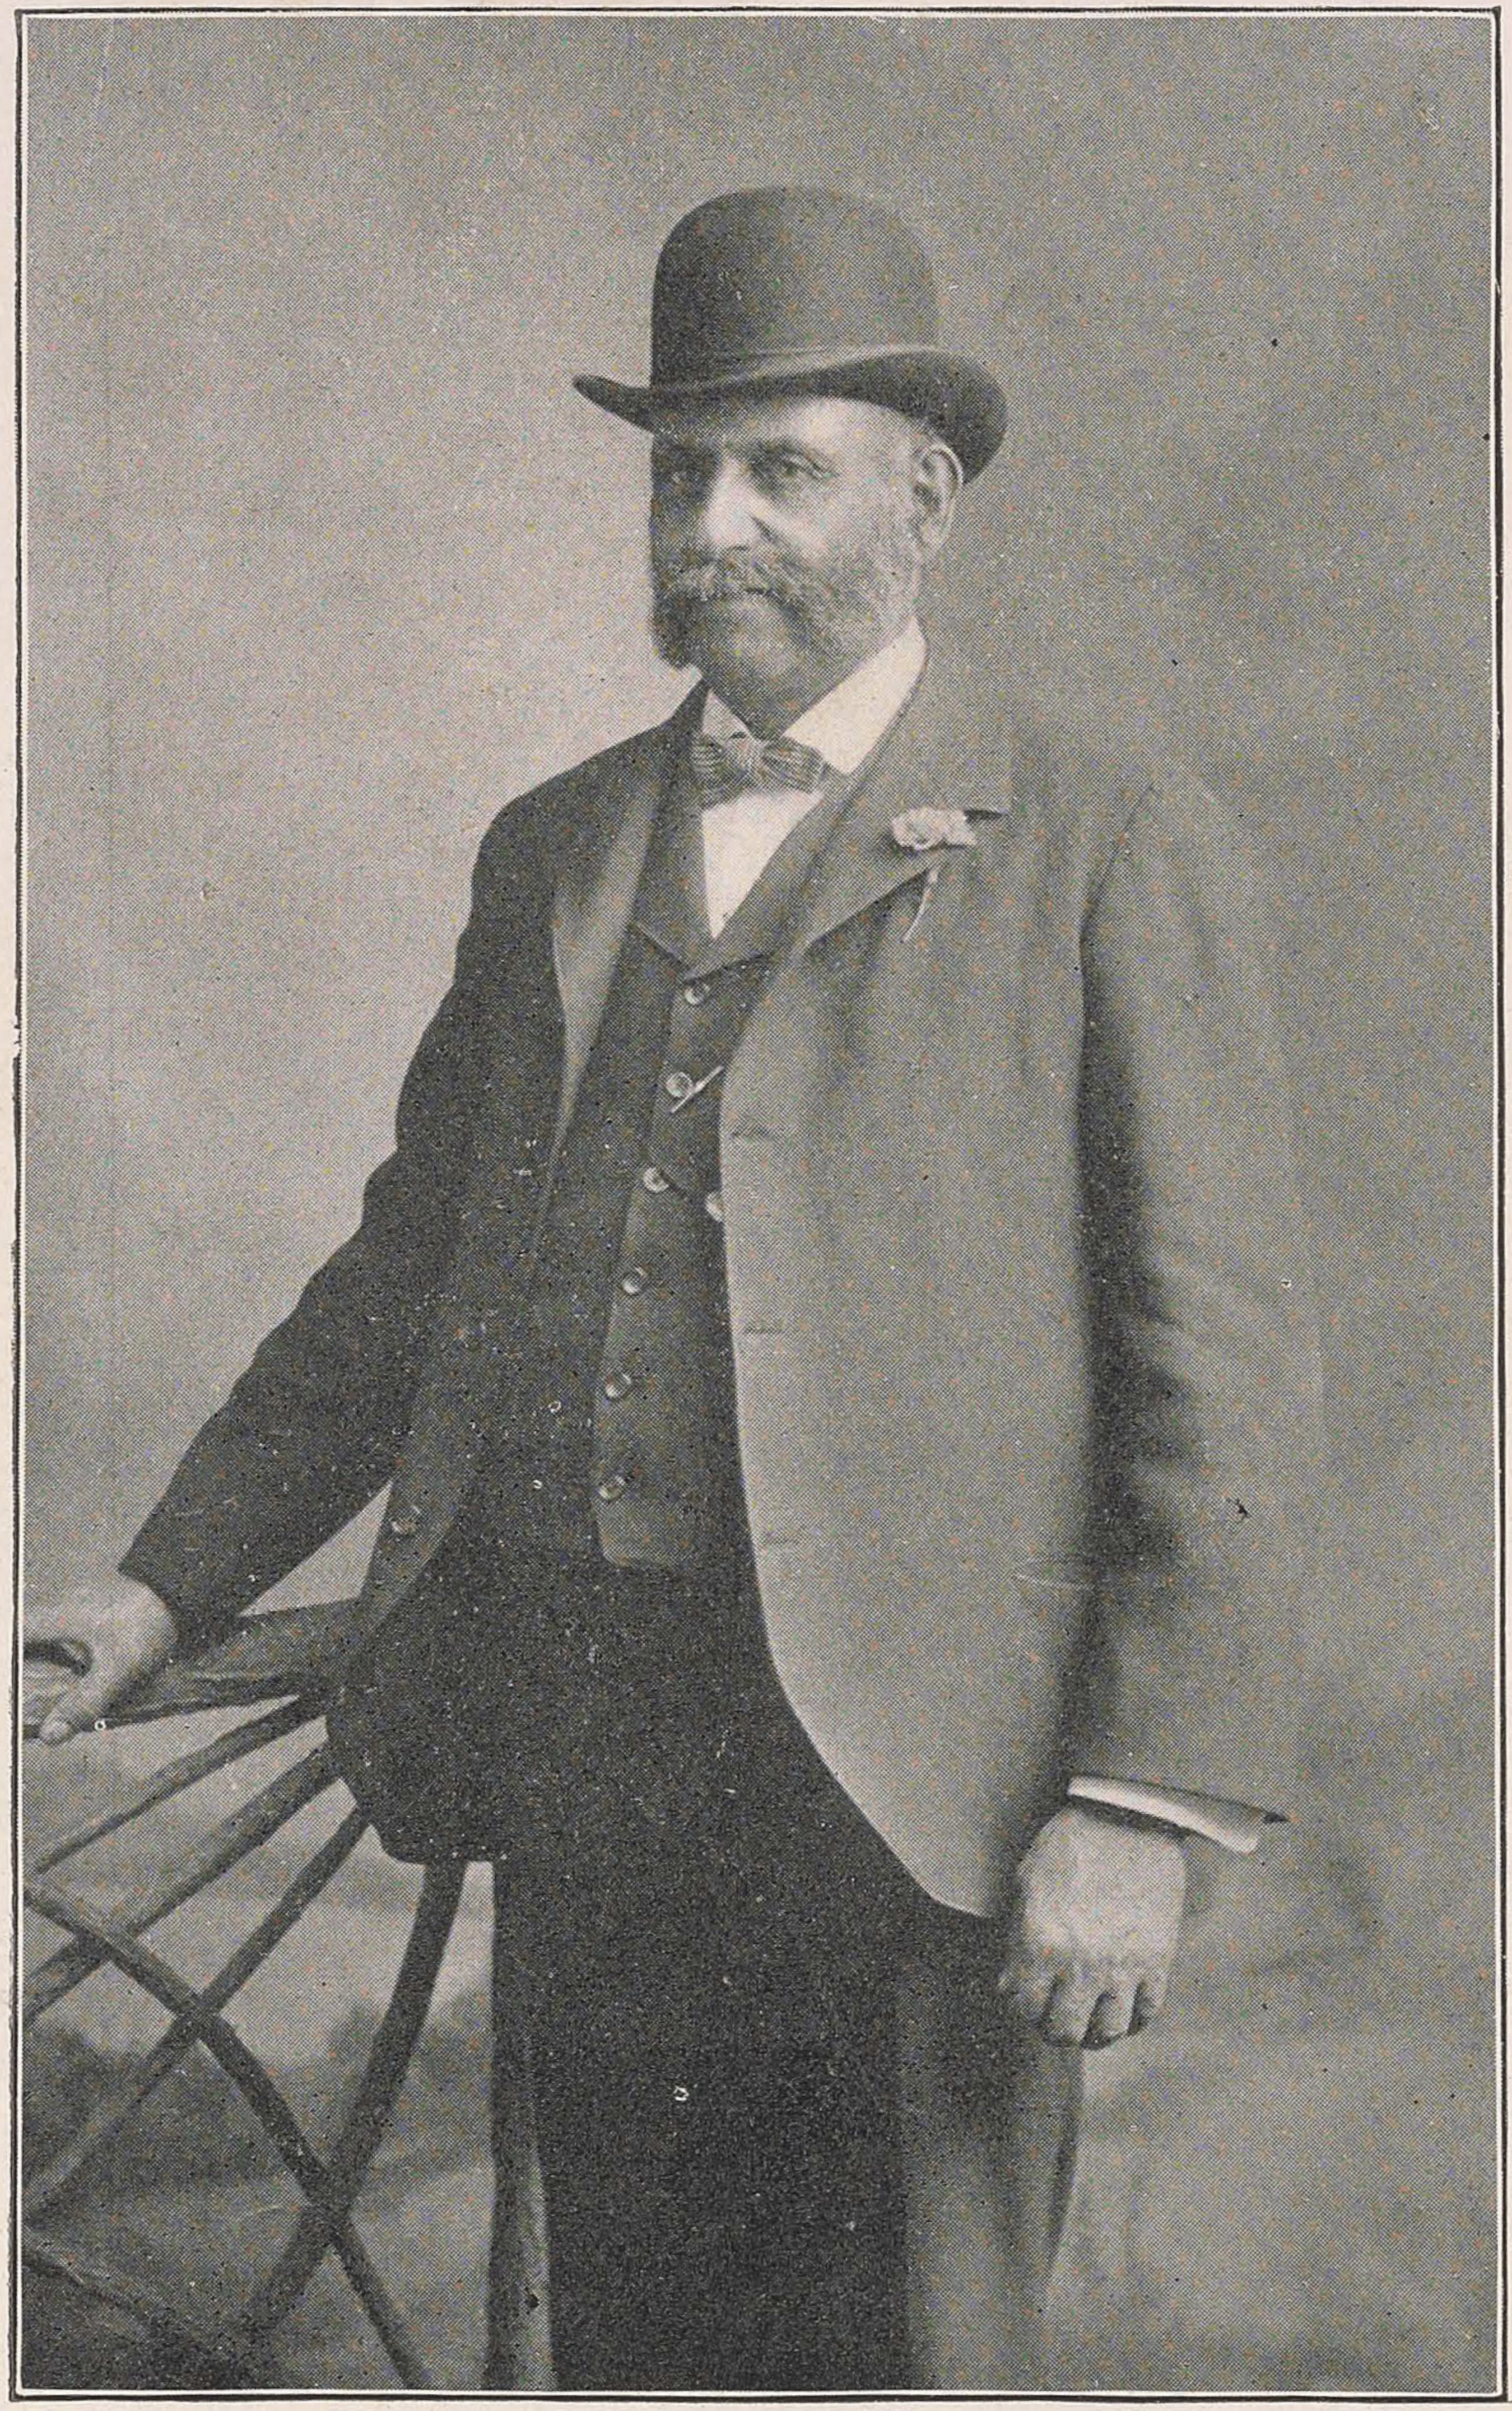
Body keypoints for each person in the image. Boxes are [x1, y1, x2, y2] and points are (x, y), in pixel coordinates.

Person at [30, 187, 1323, 2389]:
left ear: (920, 499)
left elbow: (1216, 1369)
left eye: (775, 469)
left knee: (912, 2352)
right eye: (674, 473)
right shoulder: (553, 847)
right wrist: (163, 1582)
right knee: (646, 2343)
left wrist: (1146, 1797)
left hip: (928, 1790)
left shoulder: (1106, 836)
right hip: (590, 1751)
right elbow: (401, 1277)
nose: (709, 524)